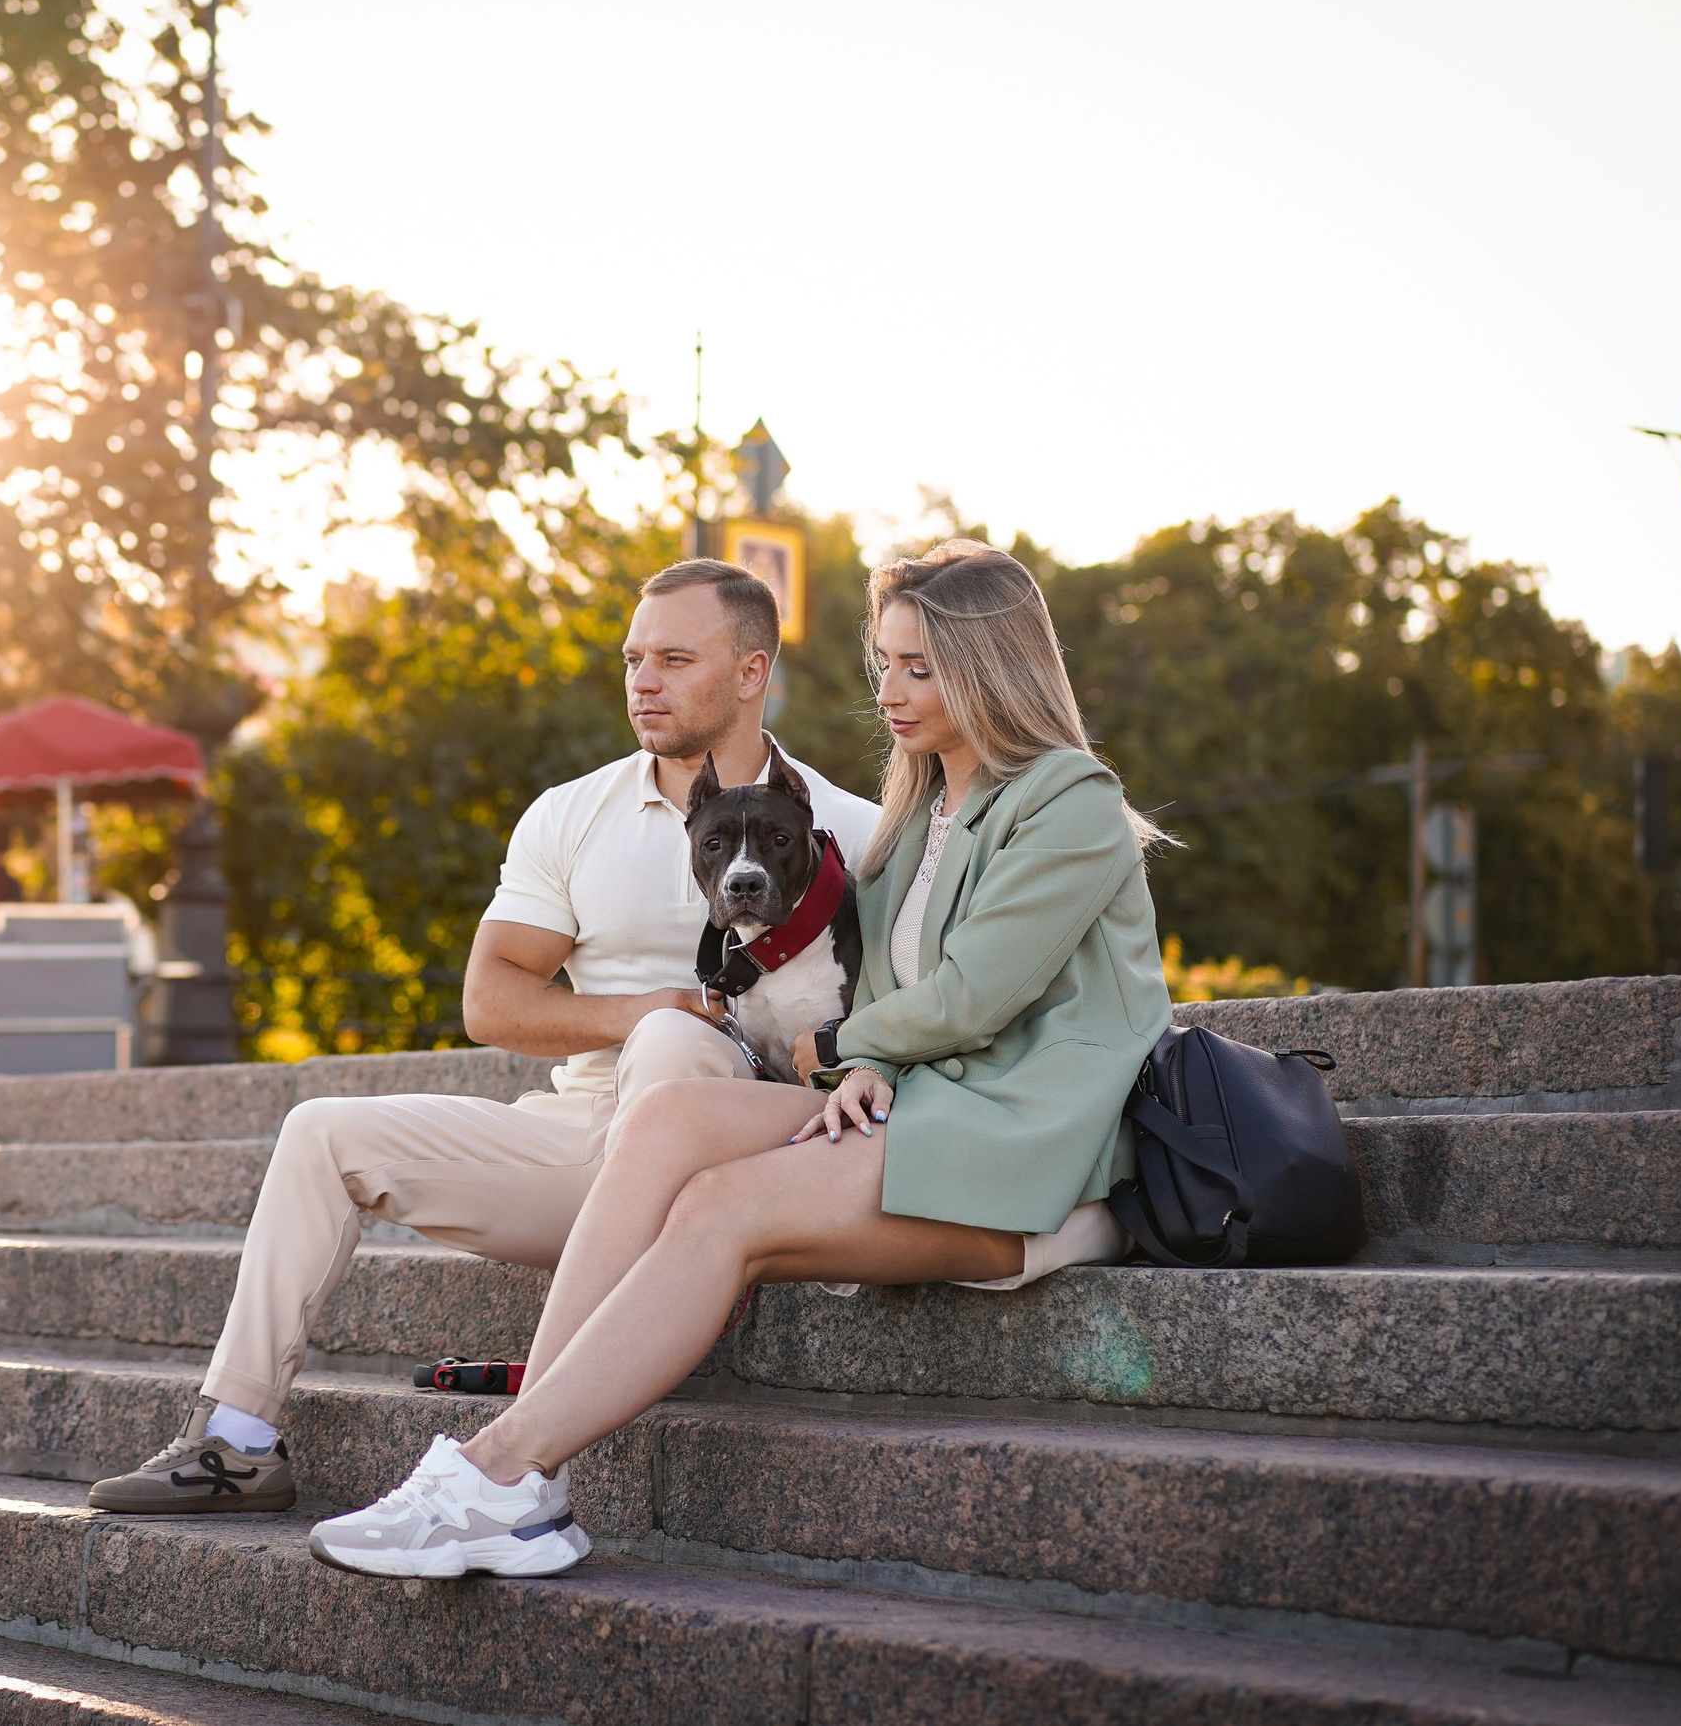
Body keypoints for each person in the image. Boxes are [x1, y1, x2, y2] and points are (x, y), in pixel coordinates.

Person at [307, 540, 1174, 1578]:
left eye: (920, 668)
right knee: (671, 1118)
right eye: (884, 665)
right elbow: (899, 989)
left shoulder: (1069, 797)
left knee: (722, 1206)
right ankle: (522, 1475)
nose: (889, 694)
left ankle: (499, 1471)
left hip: (1032, 1149)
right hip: (926, 1106)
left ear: (993, 668)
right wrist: (864, 1069)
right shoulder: (917, 809)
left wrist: (838, 1047)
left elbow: (979, 992)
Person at [87, 560, 881, 1513]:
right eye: (634, 659)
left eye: (675, 658)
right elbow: (492, 1002)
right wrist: (652, 1008)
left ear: (753, 672)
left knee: (677, 1060)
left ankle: (517, 1465)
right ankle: (236, 1438)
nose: (644, 681)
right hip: (586, 1130)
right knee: (319, 1132)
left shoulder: (851, 828)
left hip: (736, 1139)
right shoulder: (573, 814)